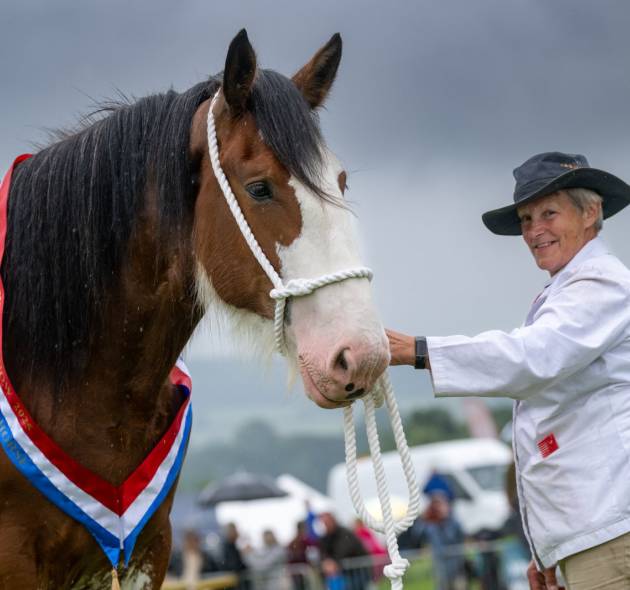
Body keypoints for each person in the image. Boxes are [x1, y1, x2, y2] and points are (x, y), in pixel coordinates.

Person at [387, 151, 630, 590]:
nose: (533, 231)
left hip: (612, 535)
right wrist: (547, 551)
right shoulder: (573, 288)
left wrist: (419, 351)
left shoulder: (601, 282)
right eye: (525, 219)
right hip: (595, 535)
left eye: (548, 213)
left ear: (591, 212)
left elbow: (532, 357)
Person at [318, 512, 372, 590]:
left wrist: (333, 562)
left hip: (358, 571)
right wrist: (326, 562)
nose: (325, 525)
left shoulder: (345, 533)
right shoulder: (326, 537)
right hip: (345, 573)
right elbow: (323, 551)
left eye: (327, 522)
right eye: (324, 523)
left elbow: (344, 549)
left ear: (333, 520)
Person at [217, 523, 251, 590]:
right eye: (234, 530)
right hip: (232, 583)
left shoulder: (235, 545)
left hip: (236, 582)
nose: (236, 532)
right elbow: (233, 565)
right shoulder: (227, 547)